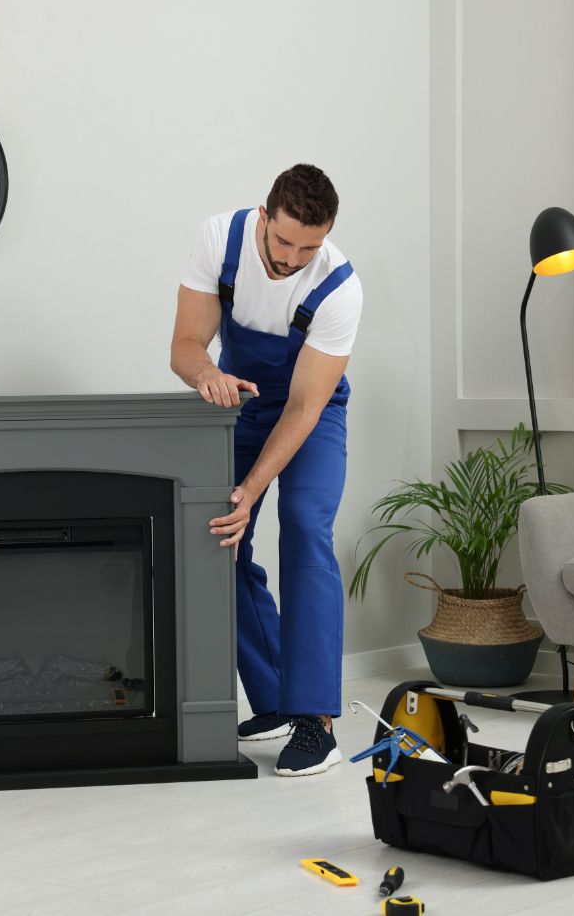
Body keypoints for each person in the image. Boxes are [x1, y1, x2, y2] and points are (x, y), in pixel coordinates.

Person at [169, 164, 362, 776]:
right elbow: (185, 346)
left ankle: (315, 721)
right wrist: (208, 375)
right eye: (284, 242)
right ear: (263, 217)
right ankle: (275, 697)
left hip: (312, 413)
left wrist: (253, 489)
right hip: (241, 399)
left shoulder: (339, 288)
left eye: (310, 246)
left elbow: (305, 406)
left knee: (305, 525)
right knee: (216, 533)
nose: (293, 258)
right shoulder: (218, 240)